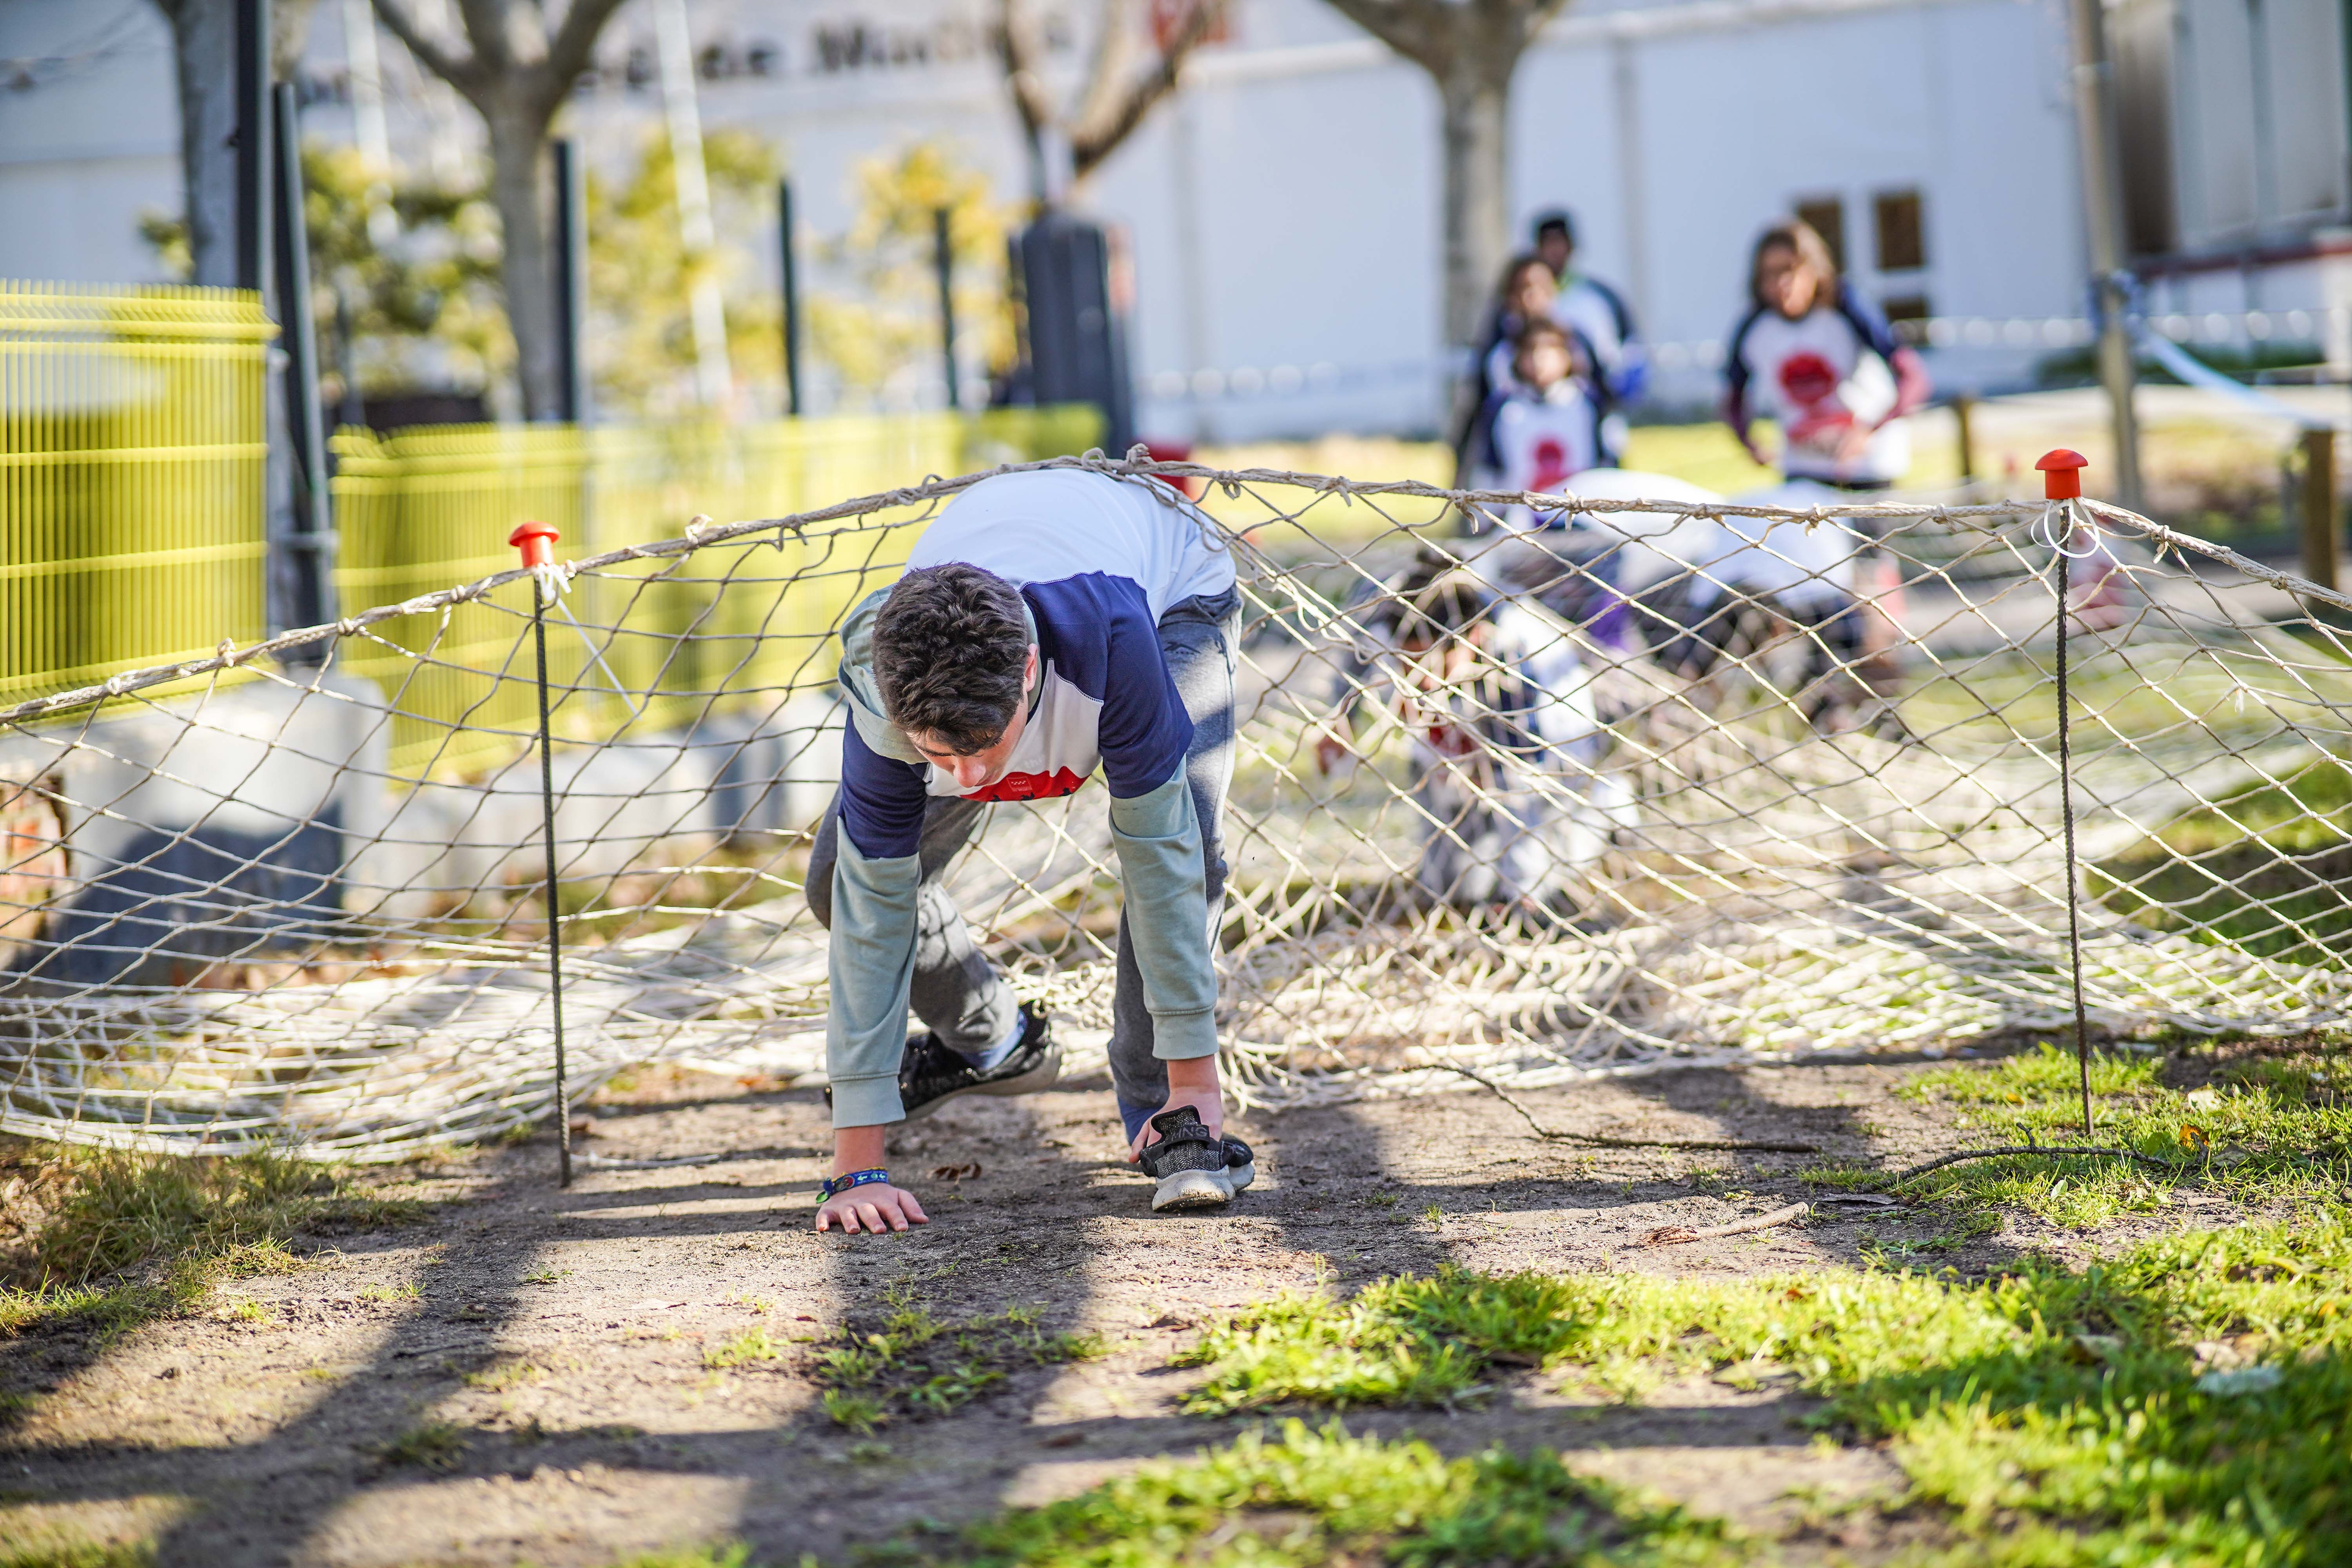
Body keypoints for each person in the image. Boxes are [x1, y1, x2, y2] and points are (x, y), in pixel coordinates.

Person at [806, 467, 1254, 1231]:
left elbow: (1163, 858)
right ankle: (998, 1042)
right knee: (833, 880)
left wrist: (1197, 1084)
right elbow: (871, 900)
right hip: (1029, 587)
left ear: (1026, 674)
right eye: (938, 755)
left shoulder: (1112, 638)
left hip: (1172, 592)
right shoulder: (885, 681)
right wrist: (858, 1168)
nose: (970, 778)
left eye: (982, 748)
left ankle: (1167, 1116)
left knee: (1193, 839)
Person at [1313, 566, 1631, 914]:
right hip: (1462, 752)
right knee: (1449, 888)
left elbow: (1526, 784)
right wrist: (1343, 715)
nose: (1420, 679)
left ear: (1474, 639)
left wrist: (1521, 890)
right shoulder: (1393, 622)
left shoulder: (1520, 664)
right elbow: (1359, 647)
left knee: (1535, 883)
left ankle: (1612, 810)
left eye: (1433, 664)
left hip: (1550, 771)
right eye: (1409, 662)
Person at [1724, 220, 1929, 490]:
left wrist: (1870, 430)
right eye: (1771, 274)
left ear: (1814, 270)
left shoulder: (1846, 308)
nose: (1783, 283)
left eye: (1791, 270)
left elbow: (1914, 377)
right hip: (1803, 468)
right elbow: (1732, 396)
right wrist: (1748, 441)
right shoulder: (1755, 327)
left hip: (1867, 467)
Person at [1532, 210, 1647, 405]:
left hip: (1597, 402)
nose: (1554, 251)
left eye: (1560, 242)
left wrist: (1618, 394)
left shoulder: (1600, 297)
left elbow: (1630, 350)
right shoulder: (1525, 300)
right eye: (1548, 243)